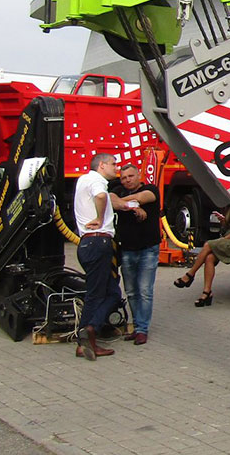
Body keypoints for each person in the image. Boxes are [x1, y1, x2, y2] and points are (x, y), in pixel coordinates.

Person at [73, 153, 127, 360]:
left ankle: (87, 338)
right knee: (97, 294)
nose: (117, 168)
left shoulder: (83, 180)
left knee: (110, 292)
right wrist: (99, 217)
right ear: (102, 165)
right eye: (113, 164)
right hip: (98, 242)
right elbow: (101, 196)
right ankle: (89, 331)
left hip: (88, 244)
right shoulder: (97, 181)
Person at [112, 164, 160, 345]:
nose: (127, 180)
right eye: (124, 178)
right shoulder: (117, 190)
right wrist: (132, 207)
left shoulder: (151, 189)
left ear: (139, 175)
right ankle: (137, 324)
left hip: (148, 249)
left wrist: (124, 203)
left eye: (131, 176)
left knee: (145, 291)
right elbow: (110, 199)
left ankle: (142, 330)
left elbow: (141, 197)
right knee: (131, 291)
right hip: (127, 249)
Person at [172, 203, 230, 306]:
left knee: (208, 245)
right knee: (209, 258)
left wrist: (225, 238)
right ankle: (206, 293)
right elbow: (227, 227)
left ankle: (190, 274)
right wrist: (223, 221)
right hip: (228, 238)